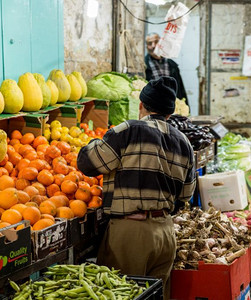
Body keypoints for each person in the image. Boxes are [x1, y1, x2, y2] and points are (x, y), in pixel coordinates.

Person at [77, 76, 196, 299]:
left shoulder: (128, 130)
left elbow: (87, 163)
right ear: (170, 113)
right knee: (154, 296)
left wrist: (91, 143)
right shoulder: (184, 143)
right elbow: (186, 195)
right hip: (165, 234)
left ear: (141, 105)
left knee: (120, 293)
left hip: (131, 234)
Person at [145, 32, 189, 105]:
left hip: (172, 106)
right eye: (150, 43)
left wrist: (186, 107)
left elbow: (181, 90)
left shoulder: (172, 65)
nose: (153, 46)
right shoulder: (144, 65)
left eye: (156, 42)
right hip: (154, 106)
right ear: (146, 47)